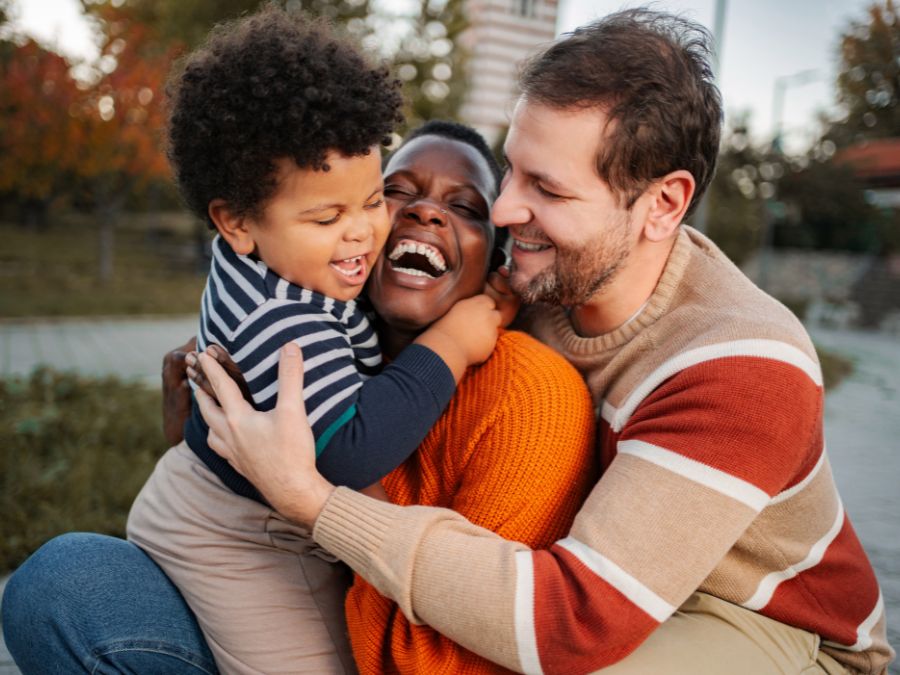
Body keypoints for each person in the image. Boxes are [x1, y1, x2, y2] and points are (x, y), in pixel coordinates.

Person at [189, 9, 894, 675]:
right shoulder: (537, 283)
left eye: (547, 190)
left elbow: (571, 618)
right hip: (610, 585)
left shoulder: (741, 367)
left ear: (663, 204)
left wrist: (312, 502)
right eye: (510, 171)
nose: (503, 210)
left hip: (758, 620)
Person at [1, 122, 597, 673]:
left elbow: (467, 638)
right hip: (259, 578)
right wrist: (198, 426)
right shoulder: (323, 322)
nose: (424, 212)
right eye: (393, 193)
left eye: (464, 207)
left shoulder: (526, 393)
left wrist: (314, 501)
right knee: (60, 582)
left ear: (495, 259)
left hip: (380, 654)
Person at [126, 7, 502, 673]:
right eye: (328, 216)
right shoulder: (284, 319)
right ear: (237, 222)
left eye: (371, 200)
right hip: (240, 535)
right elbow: (351, 451)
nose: (362, 231)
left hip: (238, 507)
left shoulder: (277, 259)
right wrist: (453, 342)